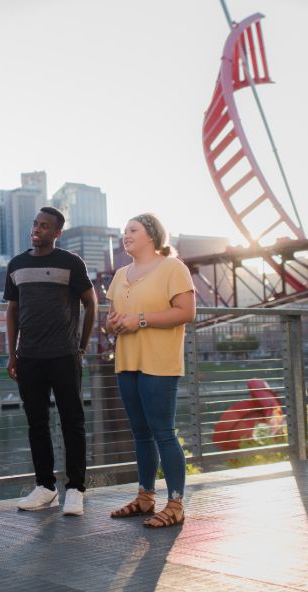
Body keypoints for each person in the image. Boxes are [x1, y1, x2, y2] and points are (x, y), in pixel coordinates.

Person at [5, 207, 97, 516]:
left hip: (64, 355)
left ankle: (75, 489)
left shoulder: (71, 263)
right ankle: (45, 488)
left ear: (57, 233)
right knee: (37, 424)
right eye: (35, 224)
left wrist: (80, 348)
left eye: (45, 226)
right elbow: (12, 311)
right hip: (29, 357)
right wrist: (12, 353)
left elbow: (91, 303)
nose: (37, 229)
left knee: (73, 422)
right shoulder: (16, 265)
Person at [106, 212, 195, 528]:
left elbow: (186, 312)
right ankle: (145, 497)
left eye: (132, 230)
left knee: (163, 433)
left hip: (159, 362)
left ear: (152, 235)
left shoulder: (173, 268)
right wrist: (114, 324)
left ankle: (176, 504)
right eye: (124, 231)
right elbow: (111, 320)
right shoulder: (120, 275)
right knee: (140, 434)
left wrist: (139, 320)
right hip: (127, 362)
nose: (125, 235)